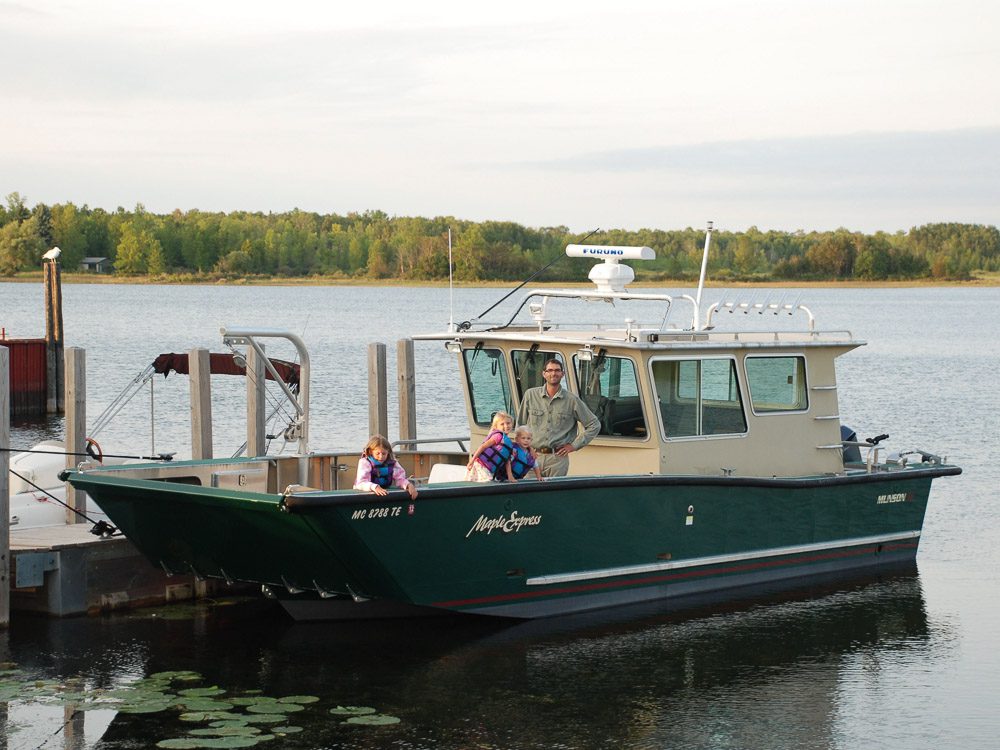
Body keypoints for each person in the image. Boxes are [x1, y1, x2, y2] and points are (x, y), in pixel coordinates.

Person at [516, 358, 600, 477]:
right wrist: (523, 451)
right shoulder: (530, 395)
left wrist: (573, 446)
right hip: (532, 457)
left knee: (554, 495)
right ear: (544, 374)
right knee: (530, 494)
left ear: (562, 374)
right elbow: (520, 426)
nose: (553, 373)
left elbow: (594, 425)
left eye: (557, 370)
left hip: (558, 460)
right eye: (550, 370)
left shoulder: (572, 400)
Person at [354, 434, 418, 500]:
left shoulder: (393, 463)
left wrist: (408, 485)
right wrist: (374, 487)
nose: (381, 457)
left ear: (388, 452)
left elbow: (400, 479)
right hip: (365, 494)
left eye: (384, 453)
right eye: (377, 453)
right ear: (370, 452)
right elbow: (361, 483)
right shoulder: (365, 462)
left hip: (384, 492)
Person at [466, 411, 515, 482]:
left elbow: (507, 460)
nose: (506, 426)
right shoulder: (498, 436)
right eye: (502, 424)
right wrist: (472, 461)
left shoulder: (507, 442)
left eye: (508, 423)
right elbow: (483, 447)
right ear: (496, 427)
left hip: (488, 468)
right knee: (488, 482)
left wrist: (510, 477)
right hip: (481, 465)